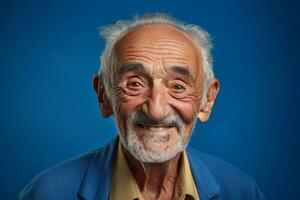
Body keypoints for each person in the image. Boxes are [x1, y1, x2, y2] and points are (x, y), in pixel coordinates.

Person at [17, 13, 265, 200]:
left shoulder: (242, 191)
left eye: (178, 87)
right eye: (135, 84)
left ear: (207, 100)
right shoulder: (47, 193)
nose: (156, 110)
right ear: (104, 96)